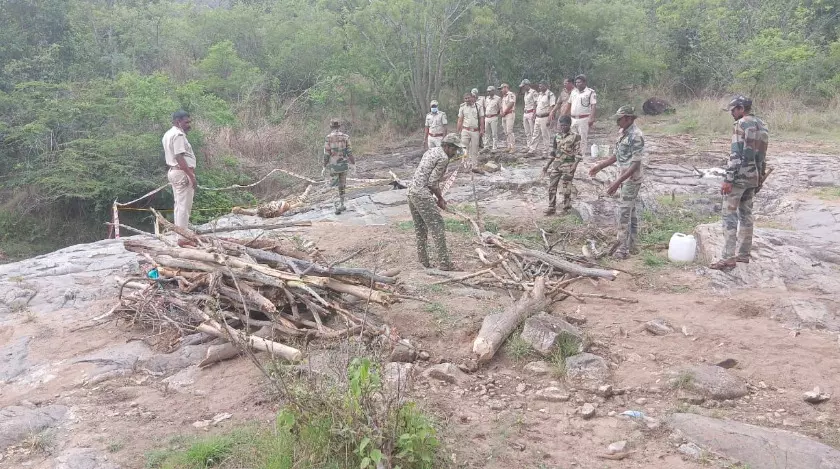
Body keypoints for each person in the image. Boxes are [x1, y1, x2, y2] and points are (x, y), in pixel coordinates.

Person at [710, 96, 769, 271]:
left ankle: (728, 257)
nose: (731, 113)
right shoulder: (762, 124)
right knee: (746, 215)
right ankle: (743, 254)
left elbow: (736, 154)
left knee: (729, 216)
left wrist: (728, 179)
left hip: (739, 178)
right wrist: (760, 177)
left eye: (733, 109)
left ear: (741, 108)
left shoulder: (741, 124)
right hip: (753, 177)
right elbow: (762, 155)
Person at [588, 106, 644, 259]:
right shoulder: (623, 133)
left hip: (631, 179)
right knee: (631, 212)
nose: (617, 122)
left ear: (628, 118)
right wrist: (600, 166)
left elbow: (635, 164)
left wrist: (617, 182)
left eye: (619, 119)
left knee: (624, 213)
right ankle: (632, 246)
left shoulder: (636, 136)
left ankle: (622, 249)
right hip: (624, 178)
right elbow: (616, 156)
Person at [407, 133, 464, 270]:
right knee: (437, 226)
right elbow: (432, 182)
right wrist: (440, 198)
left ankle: (423, 262)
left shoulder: (431, 151)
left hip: (411, 191)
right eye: (454, 149)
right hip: (422, 193)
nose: (455, 153)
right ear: (447, 147)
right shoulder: (443, 158)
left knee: (420, 229)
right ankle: (444, 263)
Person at [162, 110, 197, 242]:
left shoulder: (168, 134)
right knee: (184, 206)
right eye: (186, 122)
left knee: (179, 205)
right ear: (178, 121)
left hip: (174, 172)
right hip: (181, 173)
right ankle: (183, 238)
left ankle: (179, 234)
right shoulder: (178, 135)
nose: (189, 125)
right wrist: (191, 175)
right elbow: (179, 156)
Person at [542, 115, 581, 215]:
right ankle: (551, 207)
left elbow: (578, 154)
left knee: (566, 188)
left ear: (569, 125)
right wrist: (547, 165)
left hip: (568, 165)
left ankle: (566, 208)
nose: (563, 127)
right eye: (561, 125)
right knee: (552, 186)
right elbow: (553, 152)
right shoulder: (557, 136)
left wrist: (574, 166)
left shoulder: (575, 136)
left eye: (565, 125)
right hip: (557, 165)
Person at [323, 118, 355, 215]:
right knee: (342, 185)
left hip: (334, 166)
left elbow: (326, 154)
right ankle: (342, 204)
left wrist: (324, 166)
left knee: (334, 185)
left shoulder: (328, 138)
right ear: (339, 126)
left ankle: (337, 206)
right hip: (344, 165)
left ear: (331, 126)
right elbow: (349, 152)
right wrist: (353, 163)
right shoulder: (346, 137)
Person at [568, 74, 597, 157]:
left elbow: (593, 105)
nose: (577, 84)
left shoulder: (590, 92)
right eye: (576, 82)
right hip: (573, 118)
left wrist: (591, 118)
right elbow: (569, 103)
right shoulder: (573, 92)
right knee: (572, 137)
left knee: (582, 138)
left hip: (584, 119)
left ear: (584, 82)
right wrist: (564, 115)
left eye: (579, 82)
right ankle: (573, 154)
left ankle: (581, 156)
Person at [457, 92, 484, 170]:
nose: (467, 100)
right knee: (464, 148)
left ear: (472, 97)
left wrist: (482, 129)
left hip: (475, 131)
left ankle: (474, 165)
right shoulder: (462, 107)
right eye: (465, 98)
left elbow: (482, 119)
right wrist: (458, 131)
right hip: (465, 130)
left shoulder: (478, 106)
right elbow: (460, 120)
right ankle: (465, 164)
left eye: (468, 98)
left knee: (474, 149)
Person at [529, 81, 556, 156]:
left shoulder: (550, 95)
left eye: (541, 86)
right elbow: (537, 105)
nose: (539, 87)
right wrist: (534, 115)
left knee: (545, 135)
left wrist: (549, 119)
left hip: (545, 117)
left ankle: (545, 152)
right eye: (539, 86)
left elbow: (552, 107)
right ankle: (532, 150)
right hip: (538, 117)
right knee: (535, 134)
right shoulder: (539, 94)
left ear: (546, 86)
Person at [483, 86, 502, 152]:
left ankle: (494, 147)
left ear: (493, 91)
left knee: (494, 133)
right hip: (487, 117)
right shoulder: (487, 98)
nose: (488, 92)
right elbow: (486, 107)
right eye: (488, 91)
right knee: (486, 133)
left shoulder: (498, 98)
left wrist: (496, 114)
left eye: (490, 91)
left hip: (494, 117)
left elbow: (500, 108)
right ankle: (486, 146)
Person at [520, 79, 537, 150]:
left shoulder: (533, 92)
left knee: (532, 131)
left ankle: (533, 147)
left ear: (527, 85)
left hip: (531, 112)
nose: (523, 87)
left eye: (523, 86)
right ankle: (529, 145)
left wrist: (534, 114)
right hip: (526, 113)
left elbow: (536, 103)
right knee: (527, 131)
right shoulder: (526, 93)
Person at [500, 83, 517, 153]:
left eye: (502, 88)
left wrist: (504, 112)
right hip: (504, 115)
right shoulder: (503, 97)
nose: (501, 90)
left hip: (510, 114)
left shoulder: (511, 94)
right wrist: (501, 112)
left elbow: (511, 103)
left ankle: (513, 147)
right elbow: (502, 106)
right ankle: (509, 146)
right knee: (506, 131)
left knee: (509, 131)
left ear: (506, 87)